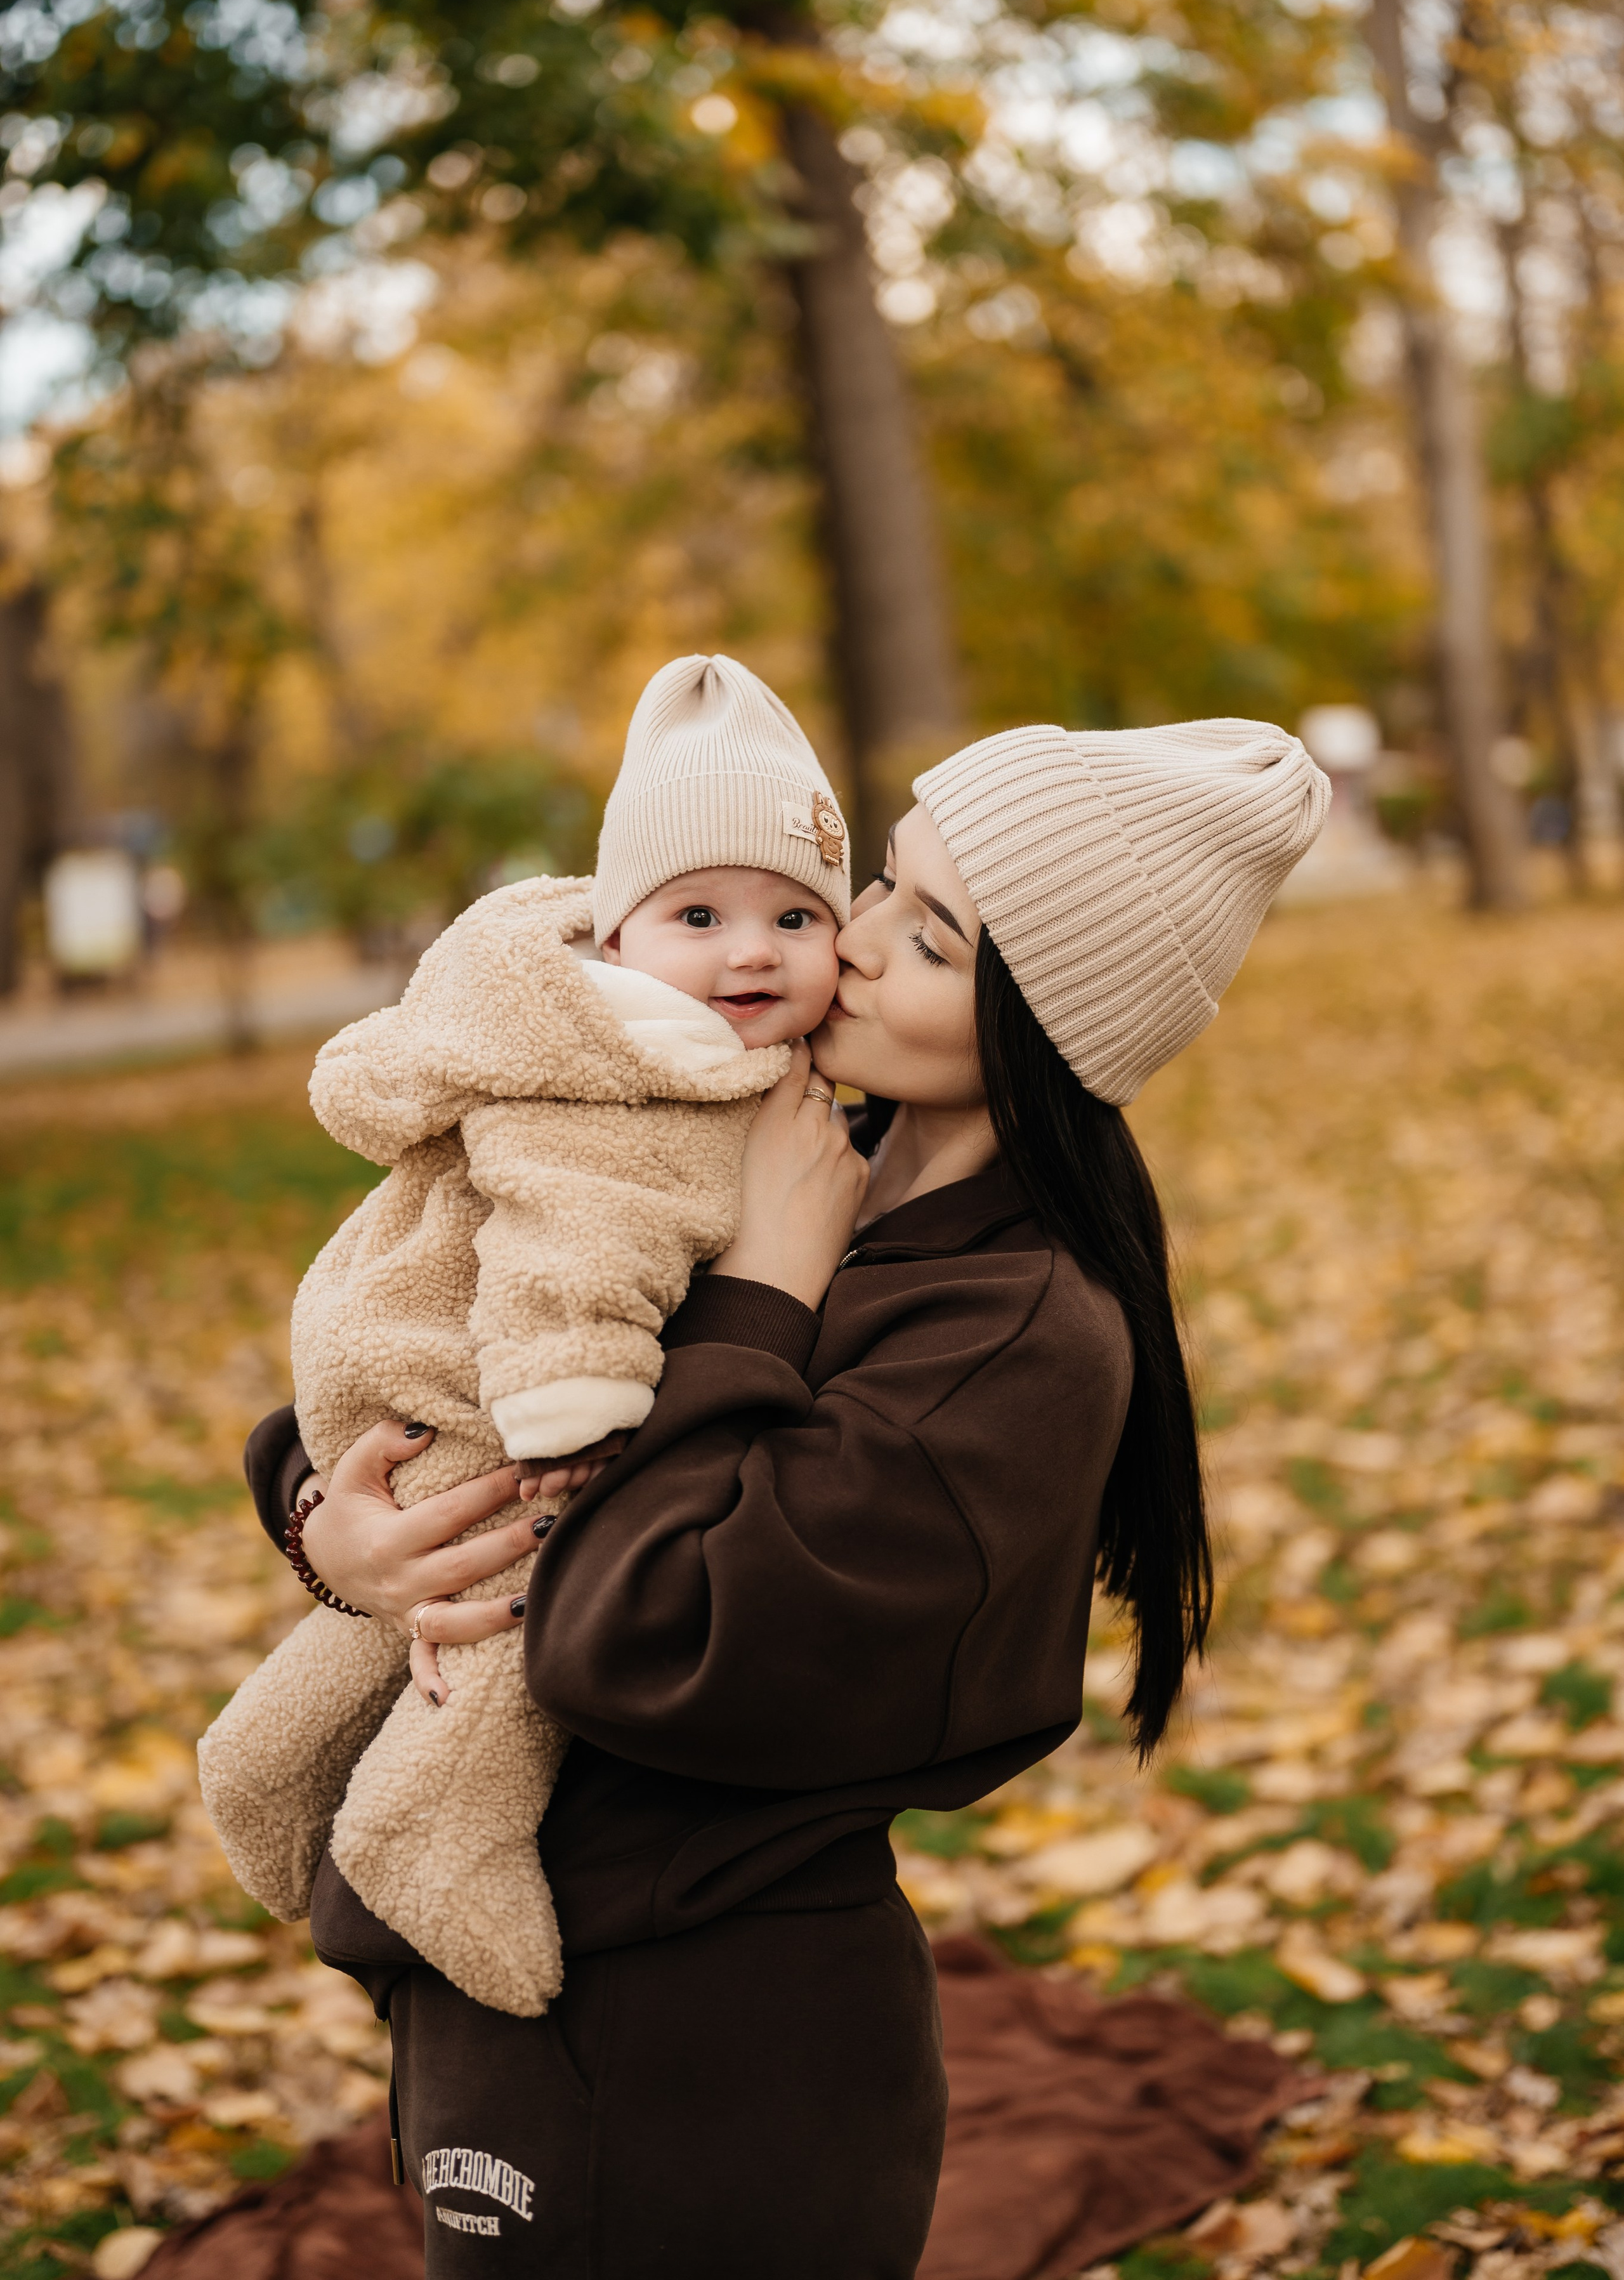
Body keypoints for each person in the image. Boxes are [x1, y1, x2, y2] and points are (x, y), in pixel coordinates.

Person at [237, 713, 1329, 2279]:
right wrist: (333, 1529)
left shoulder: (1009, 1334)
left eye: (933, 937)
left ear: (1046, 1029)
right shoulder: (768, 1132)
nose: (855, 944)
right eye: (881, 883)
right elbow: (418, 1354)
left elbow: (641, 1633)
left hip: (692, 2040)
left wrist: (759, 1298)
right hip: (505, 1993)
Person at [200, 655, 850, 2022]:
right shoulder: (641, 1073)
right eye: (699, 913)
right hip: (496, 1397)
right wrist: (583, 1410)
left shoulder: (602, 1030)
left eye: (798, 915)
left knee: (398, 1615)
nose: (752, 951)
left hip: (399, 1380)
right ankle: (428, 1826)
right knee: (511, 1614)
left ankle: (261, 1763)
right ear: (616, 934)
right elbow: (578, 1238)